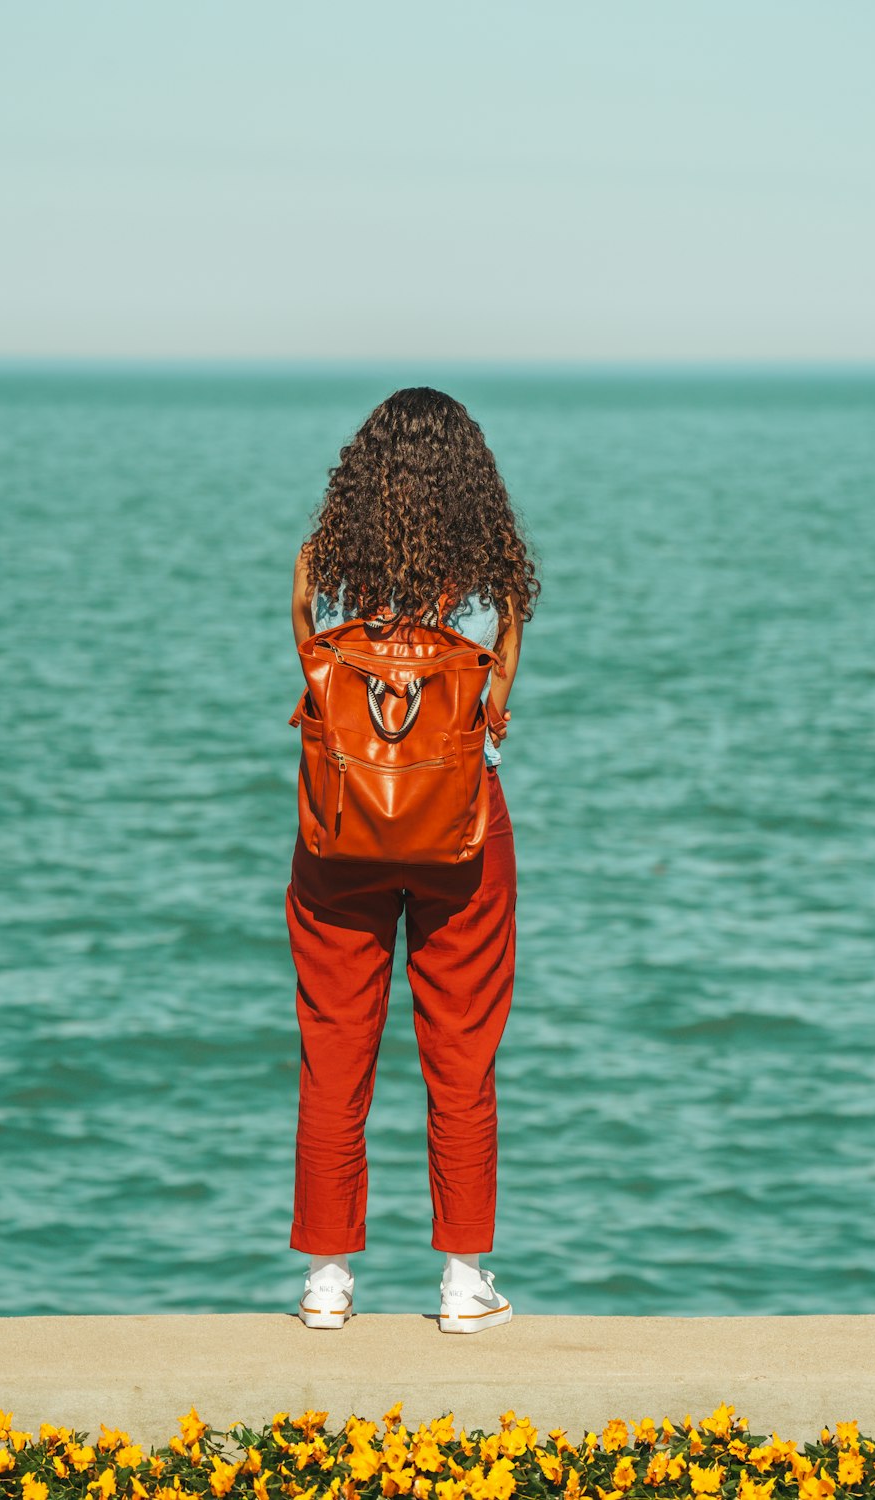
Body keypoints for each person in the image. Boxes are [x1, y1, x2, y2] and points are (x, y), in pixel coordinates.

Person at [286, 386, 540, 1332]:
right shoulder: (493, 583)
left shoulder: (324, 565)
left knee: (334, 1048)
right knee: (463, 1054)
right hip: (462, 828)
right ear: (470, 478)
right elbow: (495, 709)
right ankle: (464, 1282)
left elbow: (315, 684)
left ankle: (326, 1282)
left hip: (342, 825)